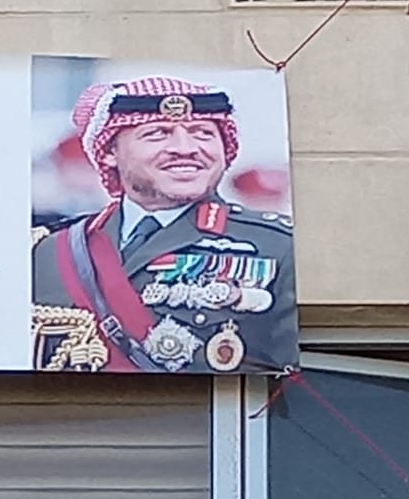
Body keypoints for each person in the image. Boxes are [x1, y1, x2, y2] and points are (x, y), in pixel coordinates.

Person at [31, 75, 297, 374]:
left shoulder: (280, 245)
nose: (185, 148)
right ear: (108, 153)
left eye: (203, 133)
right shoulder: (48, 250)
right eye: (157, 134)